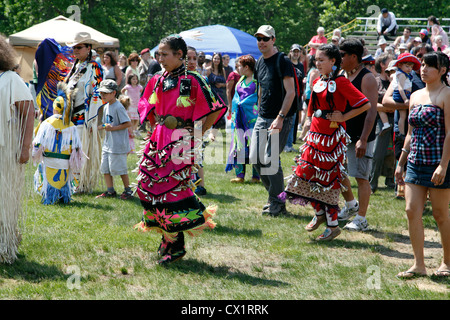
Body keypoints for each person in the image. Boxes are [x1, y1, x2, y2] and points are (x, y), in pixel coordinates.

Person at [134, 35, 226, 265]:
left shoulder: (193, 80)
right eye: (159, 54)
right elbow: (146, 102)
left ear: (179, 55)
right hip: (158, 139)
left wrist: (197, 133)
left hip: (181, 140)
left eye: (165, 54)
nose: (160, 58)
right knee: (148, 187)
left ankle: (176, 243)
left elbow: (215, 108)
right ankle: (168, 235)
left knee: (173, 189)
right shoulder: (157, 78)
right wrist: (155, 122)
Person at [280, 43, 371, 241]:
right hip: (315, 134)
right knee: (307, 173)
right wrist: (305, 126)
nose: (317, 63)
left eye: (322, 60)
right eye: (316, 60)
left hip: (331, 138)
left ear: (333, 61)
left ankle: (332, 225)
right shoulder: (318, 80)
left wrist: (344, 117)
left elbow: (365, 104)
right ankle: (320, 213)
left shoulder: (341, 82)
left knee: (327, 178)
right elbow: (311, 107)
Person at [395, 51, 450, 278]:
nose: (423, 69)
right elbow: (409, 133)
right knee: (411, 210)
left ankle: (447, 262)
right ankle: (419, 264)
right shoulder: (416, 96)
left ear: (443, 71)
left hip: (438, 163)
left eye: (429, 66)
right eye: (423, 65)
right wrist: (401, 162)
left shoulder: (447, 94)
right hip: (416, 162)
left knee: (440, 214)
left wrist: (443, 165)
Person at [249, 25, 296, 216]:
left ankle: (278, 203)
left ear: (273, 40)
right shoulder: (259, 61)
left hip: (281, 117)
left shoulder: (283, 61)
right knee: (255, 158)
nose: (261, 42)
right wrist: (260, 112)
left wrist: (280, 118)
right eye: (259, 38)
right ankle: (275, 196)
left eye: (265, 38)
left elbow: (291, 92)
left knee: (270, 160)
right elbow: (261, 89)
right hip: (263, 116)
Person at [0, 35, 35, 264]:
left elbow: (29, 111)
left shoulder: (11, 79)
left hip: (5, 149)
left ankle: (5, 243)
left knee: (4, 197)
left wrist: (25, 148)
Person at [337, 39, 378, 232]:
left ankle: (361, 218)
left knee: (361, 177)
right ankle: (351, 205)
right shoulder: (341, 74)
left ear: (354, 57)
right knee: (339, 172)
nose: (340, 58)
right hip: (343, 135)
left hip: (362, 135)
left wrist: (363, 138)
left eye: (343, 54)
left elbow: (371, 112)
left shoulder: (367, 78)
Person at [32, 82, 84, 205]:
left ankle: (49, 196)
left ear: (55, 107)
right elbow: (77, 148)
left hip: (49, 161)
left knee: (46, 173)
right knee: (62, 178)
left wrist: (35, 154)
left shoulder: (47, 123)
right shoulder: (71, 126)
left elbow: (38, 144)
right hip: (64, 163)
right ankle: (63, 196)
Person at [65, 32, 104, 194]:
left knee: (81, 149)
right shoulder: (76, 67)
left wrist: (93, 120)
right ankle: (71, 181)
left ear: (89, 48)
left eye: (79, 47)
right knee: (71, 148)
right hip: (71, 117)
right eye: (74, 47)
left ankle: (81, 183)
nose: (75, 50)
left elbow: (98, 93)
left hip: (84, 116)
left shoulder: (94, 67)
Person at [96, 79, 133, 200]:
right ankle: (110, 190)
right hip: (108, 144)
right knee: (105, 168)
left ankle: (128, 190)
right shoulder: (106, 107)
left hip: (118, 145)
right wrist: (97, 128)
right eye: (102, 93)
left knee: (121, 169)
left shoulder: (118, 107)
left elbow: (128, 123)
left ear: (114, 93)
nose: (103, 96)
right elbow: (106, 124)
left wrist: (113, 128)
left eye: (105, 93)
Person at [225, 55, 260, 184]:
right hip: (239, 119)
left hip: (252, 119)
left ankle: (256, 176)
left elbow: (256, 98)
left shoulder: (257, 82)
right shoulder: (240, 81)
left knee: (254, 146)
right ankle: (240, 175)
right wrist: (236, 106)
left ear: (246, 67)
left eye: (239, 66)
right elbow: (235, 97)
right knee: (239, 145)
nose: (237, 68)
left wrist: (244, 103)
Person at [370, 53, 395, 194]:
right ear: (382, 65)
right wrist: (386, 107)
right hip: (380, 120)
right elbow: (371, 103)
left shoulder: (396, 80)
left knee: (395, 153)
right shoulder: (376, 81)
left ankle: (392, 180)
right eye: (390, 62)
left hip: (396, 118)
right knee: (377, 153)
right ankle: (372, 184)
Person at [388, 53, 421, 138]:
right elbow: (400, 88)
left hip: (405, 94)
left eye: (411, 67)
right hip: (402, 95)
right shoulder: (402, 75)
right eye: (407, 66)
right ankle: (401, 133)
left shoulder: (405, 74)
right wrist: (405, 99)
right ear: (399, 65)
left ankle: (401, 133)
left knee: (403, 116)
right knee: (402, 116)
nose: (409, 69)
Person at [284, 43, 305, 152]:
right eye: (294, 51)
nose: (296, 53)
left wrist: (304, 91)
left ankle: (289, 144)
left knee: (294, 121)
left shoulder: (301, 65)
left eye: (298, 52)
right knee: (287, 121)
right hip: (288, 95)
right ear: (290, 52)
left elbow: (302, 80)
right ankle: (285, 145)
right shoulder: (287, 64)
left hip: (297, 96)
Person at [121, 74, 143, 140]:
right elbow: (122, 90)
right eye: (133, 79)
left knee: (136, 118)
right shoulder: (128, 87)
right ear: (130, 80)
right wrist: (125, 96)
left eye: (136, 79)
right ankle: (131, 130)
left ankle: (135, 130)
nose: (135, 80)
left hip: (137, 104)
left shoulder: (139, 87)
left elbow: (141, 91)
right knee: (131, 118)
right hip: (130, 105)